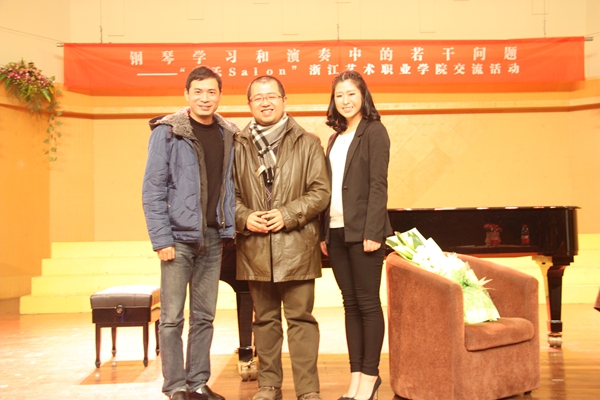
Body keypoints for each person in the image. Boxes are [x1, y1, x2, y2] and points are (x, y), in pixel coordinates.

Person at [142, 66, 238, 400]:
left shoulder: (229, 133)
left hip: (213, 237)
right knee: (171, 318)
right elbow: (153, 189)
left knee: (204, 317)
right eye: (198, 91)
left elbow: (232, 186)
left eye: (211, 91)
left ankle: (197, 381)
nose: (205, 98)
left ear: (220, 95)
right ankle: (175, 386)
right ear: (186, 94)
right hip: (177, 240)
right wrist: (161, 239)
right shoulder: (168, 132)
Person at [233, 76, 331, 400]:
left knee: (301, 319)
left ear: (284, 100)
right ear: (250, 104)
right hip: (255, 247)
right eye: (258, 98)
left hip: (297, 246)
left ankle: (308, 390)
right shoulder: (236, 145)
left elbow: (321, 192)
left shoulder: (308, 142)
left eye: (272, 96)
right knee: (264, 320)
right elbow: (227, 196)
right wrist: (245, 217)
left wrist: (287, 214)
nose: (265, 102)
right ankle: (269, 386)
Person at [320, 70, 392, 400]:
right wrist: (324, 232)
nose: (345, 100)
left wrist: (373, 231)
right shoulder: (335, 137)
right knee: (350, 305)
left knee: (368, 304)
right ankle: (355, 379)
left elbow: (378, 185)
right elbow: (329, 188)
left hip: (365, 233)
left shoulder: (375, 131)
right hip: (335, 233)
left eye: (351, 93)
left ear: (363, 95)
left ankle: (370, 377)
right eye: (339, 95)